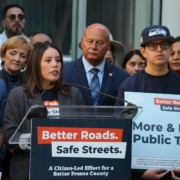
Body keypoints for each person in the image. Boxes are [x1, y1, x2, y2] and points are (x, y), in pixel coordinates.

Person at [3, 42, 84, 179]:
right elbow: (10, 136)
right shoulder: (18, 95)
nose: (55, 65)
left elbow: (85, 129)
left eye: (58, 60)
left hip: (65, 169)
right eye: (48, 60)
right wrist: (39, 137)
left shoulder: (73, 94)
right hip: (28, 170)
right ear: (35, 65)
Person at [115, 25, 180, 180]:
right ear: (143, 51)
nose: (159, 50)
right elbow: (120, 133)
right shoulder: (129, 86)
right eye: (152, 45)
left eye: (164, 45)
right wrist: (140, 172)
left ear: (170, 49)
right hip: (141, 174)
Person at [64, 23, 129, 106]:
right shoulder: (65, 73)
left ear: (108, 46)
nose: (94, 47)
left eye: (99, 42)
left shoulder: (121, 77)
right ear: (82, 42)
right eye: (90, 41)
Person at [0, 35, 32, 180]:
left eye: (22, 55)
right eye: (13, 53)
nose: (17, 59)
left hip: (22, 149)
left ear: (26, 61)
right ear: (3, 55)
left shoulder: (31, 84)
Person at [0, 4, 27, 69]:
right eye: (12, 17)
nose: (17, 20)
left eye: (21, 17)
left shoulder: (30, 44)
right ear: (3, 23)